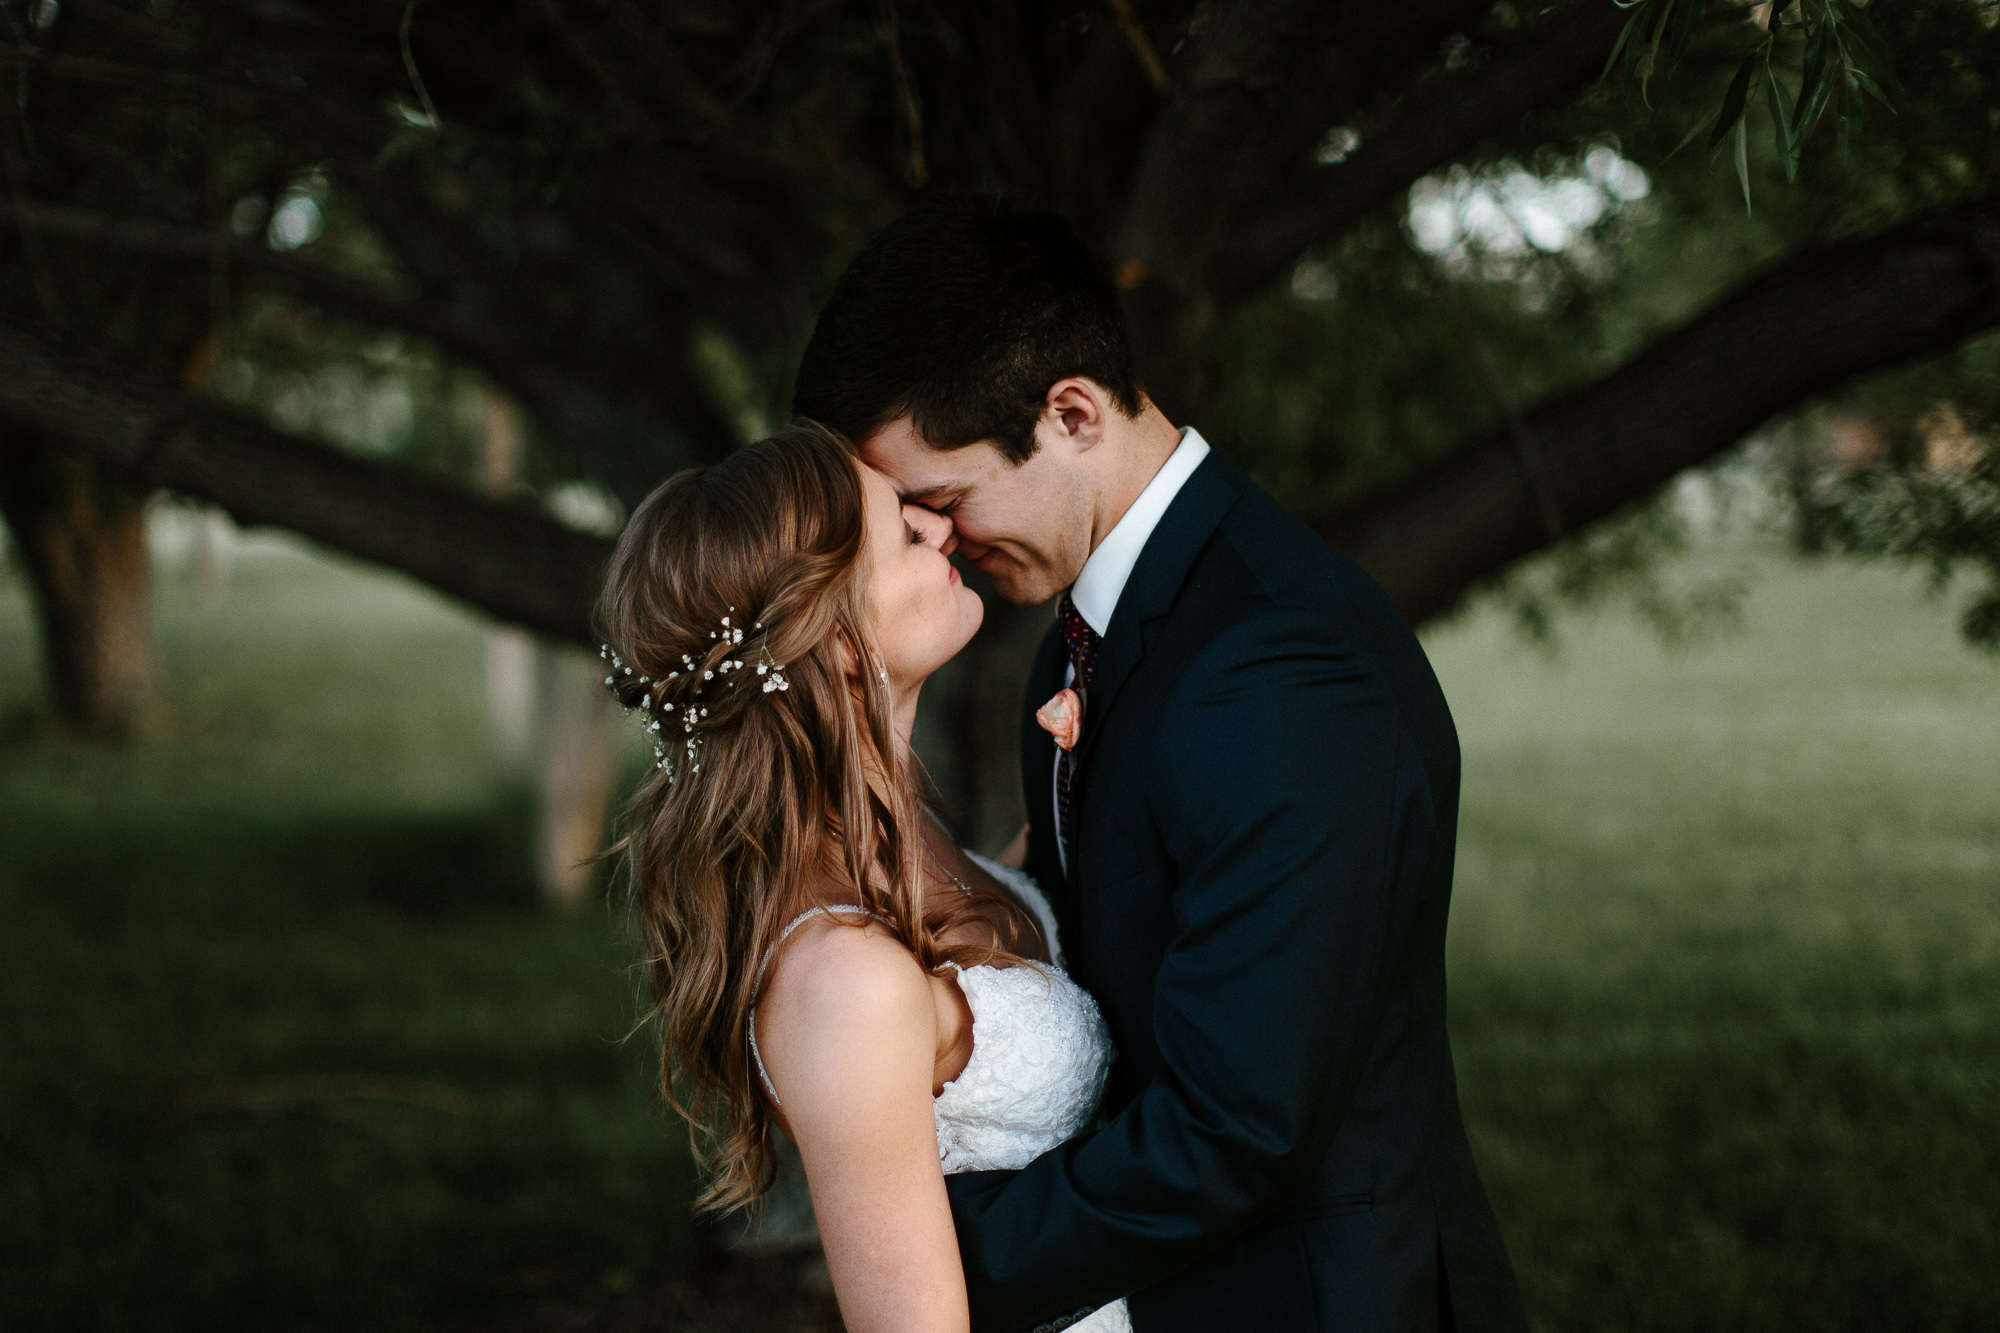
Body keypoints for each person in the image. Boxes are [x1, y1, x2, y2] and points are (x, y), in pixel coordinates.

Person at [789, 195, 1530, 1333]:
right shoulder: (1087, 638)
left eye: (941, 500)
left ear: (1071, 414)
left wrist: (921, 1262)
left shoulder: (1274, 661)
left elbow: (1237, 1124)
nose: (940, 540)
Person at [598, 421, 1129, 1333]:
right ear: (840, 636)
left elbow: (1028, 913)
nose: (941, 529)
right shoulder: (843, 983)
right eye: (903, 532)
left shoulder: (896, 835)